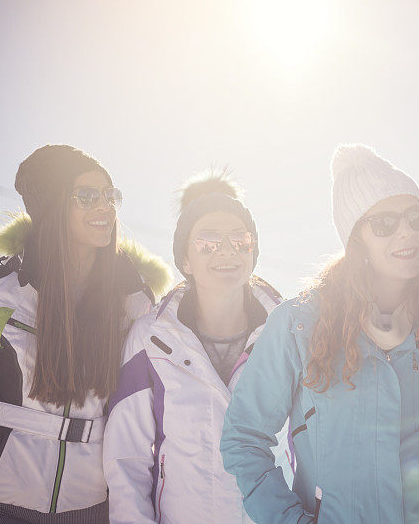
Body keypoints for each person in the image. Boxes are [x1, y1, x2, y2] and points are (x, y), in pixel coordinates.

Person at [220, 144, 419, 524]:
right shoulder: (300, 324)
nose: (407, 232)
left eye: (416, 217)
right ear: (356, 238)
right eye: (384, 223)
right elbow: (245, 439)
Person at [0, 145, 170, 521]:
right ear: (54, 208)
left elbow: (149, 408)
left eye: (110, 196)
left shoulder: (134, 304)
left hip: (88, 506)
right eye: (87, 196)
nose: (104, 207)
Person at [103, 173, 288, 523]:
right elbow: (126, 459)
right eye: (208, 241)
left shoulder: (290, 334)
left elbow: (311, 447)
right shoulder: (149, 338)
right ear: (184, 260)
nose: (227, 250)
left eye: (240, 240)